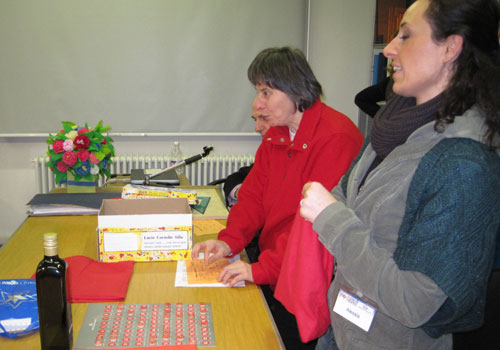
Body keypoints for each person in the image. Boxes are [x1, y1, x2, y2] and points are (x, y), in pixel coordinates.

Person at [299, 0, 500, 349]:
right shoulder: (393, 125)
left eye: (406, 35)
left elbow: (417, 302)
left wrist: (334, 221)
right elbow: (345, 193)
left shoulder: (462, 161)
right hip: (344, 327)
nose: (390, 49)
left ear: (451, 48)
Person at [193, 46, 364, 349]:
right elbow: (252, 198)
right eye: (258, 92)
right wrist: (228, 240)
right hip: (277, 268)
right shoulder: (279, 133)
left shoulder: (336, 137)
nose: (257, 104)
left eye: (266, 93)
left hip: (309, 277)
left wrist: (259, 269)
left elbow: (309, 227)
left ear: (296, 90)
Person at [223, 99, 270, 207]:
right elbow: (237, 177)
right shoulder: (268, 150)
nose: (257, 128)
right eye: (255, 120)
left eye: (263, 119)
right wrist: (239, 192)